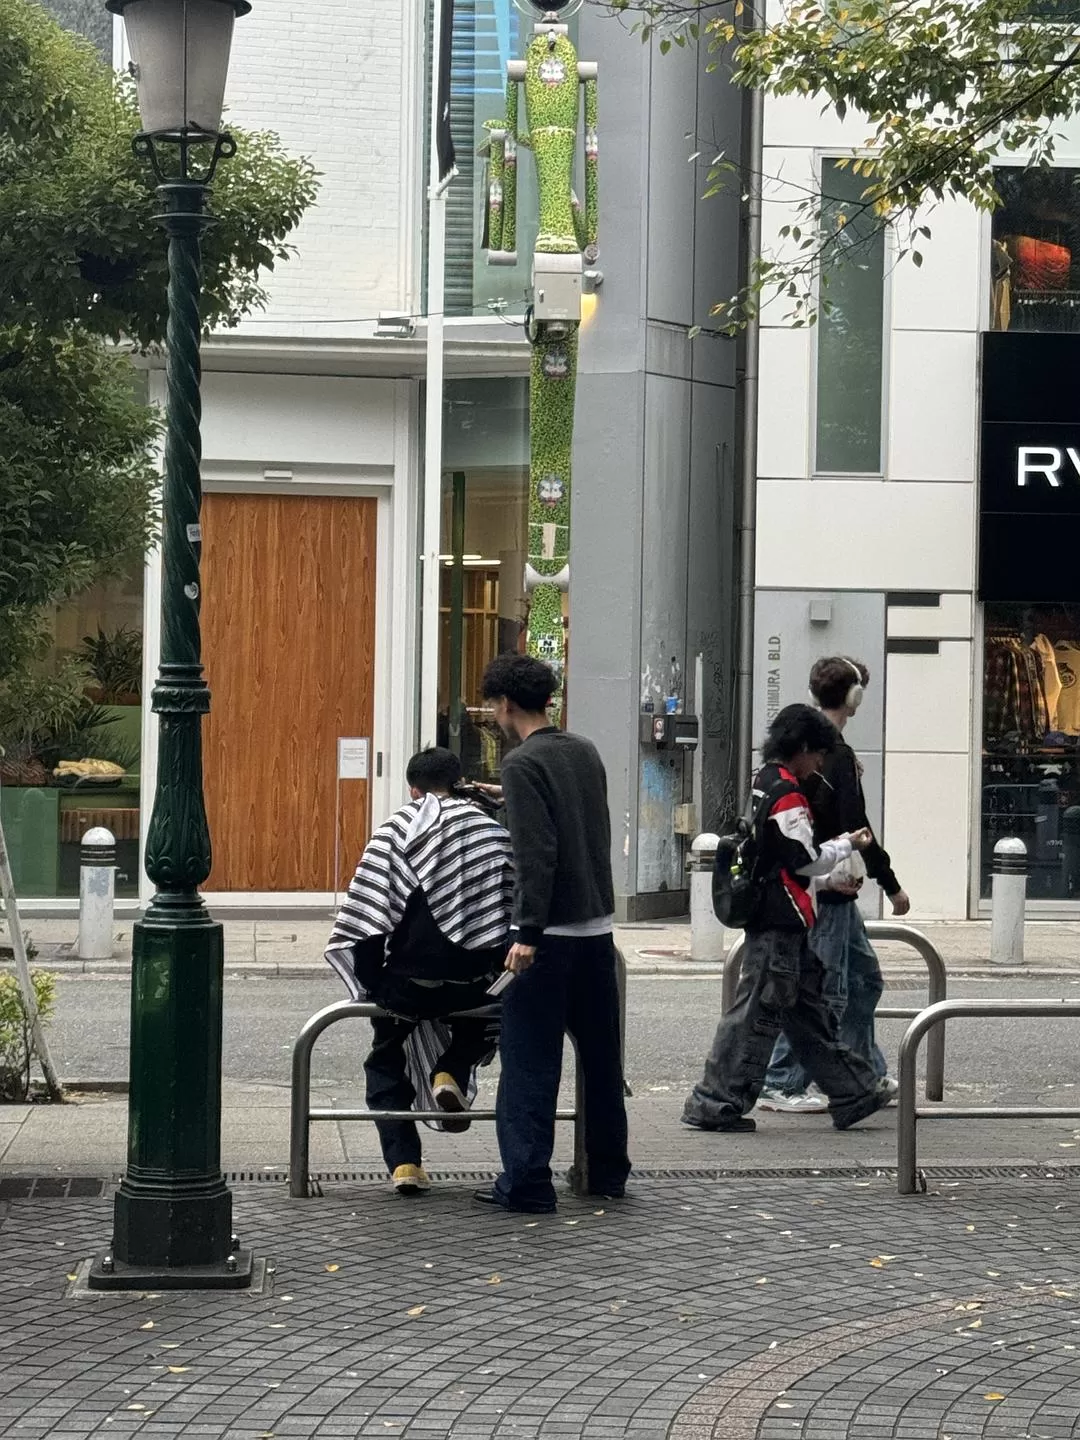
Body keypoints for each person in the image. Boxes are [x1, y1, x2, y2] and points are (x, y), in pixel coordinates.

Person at [682, 703, 895, 1132]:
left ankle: (854, 1091)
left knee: (807, 1013)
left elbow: (781, 858)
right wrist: (847, 844)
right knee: (755, 1013)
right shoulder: (789, 795)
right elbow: (806, 860)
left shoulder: (764, 782)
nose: (820, 764)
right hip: (782, 921)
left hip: (780, 917)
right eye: (817, 754)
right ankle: (715, 1101)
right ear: (800, 749)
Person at [472, 653, 630, 1214]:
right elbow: (577, 821)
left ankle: (526, 1183)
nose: (493, 713)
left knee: (530, 1064)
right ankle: (608, 1172)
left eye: (493, 704)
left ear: (505, 704)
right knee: (601, 1060)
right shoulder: (582, 751)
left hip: (548, 936)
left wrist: (526, 931)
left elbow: (535, 852)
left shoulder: (521, 764)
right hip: (597, 928)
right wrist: (504, 799)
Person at [325, 747, 514, 1195]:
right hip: (471, 982)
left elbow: (369, 915)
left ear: (412, 788)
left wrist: (375, 984)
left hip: (406, 983)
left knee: (386, 1061)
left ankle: (404, 1164)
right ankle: (451, 1067)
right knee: (485, 1021)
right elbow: (506, 912)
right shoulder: (492, 834)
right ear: (459, 781)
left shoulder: (394, 832)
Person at [758, 657, 909, 1114]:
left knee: (865, 981)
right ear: (855, 696)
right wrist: (890, 882)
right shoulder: (834, 754)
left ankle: (861, 1072)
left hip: (829, 881)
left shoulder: (823, 750)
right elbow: (852, 822)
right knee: (826, 991)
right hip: (828, 885)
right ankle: (783, 1080)